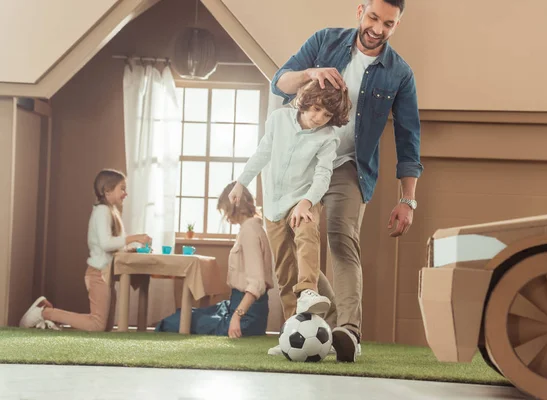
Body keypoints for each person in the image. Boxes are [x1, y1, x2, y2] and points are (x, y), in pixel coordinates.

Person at [270, 0, 423, 362]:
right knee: (294, 244)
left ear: (396, 24)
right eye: (373, 18)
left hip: (349, 166)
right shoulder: (325, 41)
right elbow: (280, 83)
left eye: (389, 23)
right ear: (360, 11)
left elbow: (409, 137)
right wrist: (311, 73)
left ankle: (348, 334)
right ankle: (317, 326)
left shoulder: (399, 73)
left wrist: (408, 199)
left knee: (340, 238)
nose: (378, 29)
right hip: (303, 159)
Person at [228, 80, 351, 349]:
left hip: (304, 200)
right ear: (306, 102)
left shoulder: (328, 137)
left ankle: (308, 290)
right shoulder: (278, 120)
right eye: (316, 109)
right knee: (284, 272)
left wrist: (307, 202)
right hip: (273, 205)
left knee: (307, 236)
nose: (319, 118)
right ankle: (290, 336)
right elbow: (262, 153)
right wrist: (241, 182)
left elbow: (323, 174)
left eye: (327, 115)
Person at [19, 169, 152, 332]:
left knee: (106, 327)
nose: (125, 193)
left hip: (106, 274)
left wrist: (129, 249)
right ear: (107, 190)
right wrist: (134, 238)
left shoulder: (110, 211)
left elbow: (110, 245)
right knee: (97, 325)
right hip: (98, 274)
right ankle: (45, 313)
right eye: (122, 188)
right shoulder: (102, 211)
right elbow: (105, 244)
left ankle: (45, 310)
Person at [155, 182, 272, 337]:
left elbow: (257, 284)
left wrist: (236, 318)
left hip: (247, 317)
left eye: (225, 209)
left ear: (234, 204)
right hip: (242, 308)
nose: (225, 215)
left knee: (176, 321)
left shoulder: (249, 231)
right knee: (187, 313)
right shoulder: (252, 227)